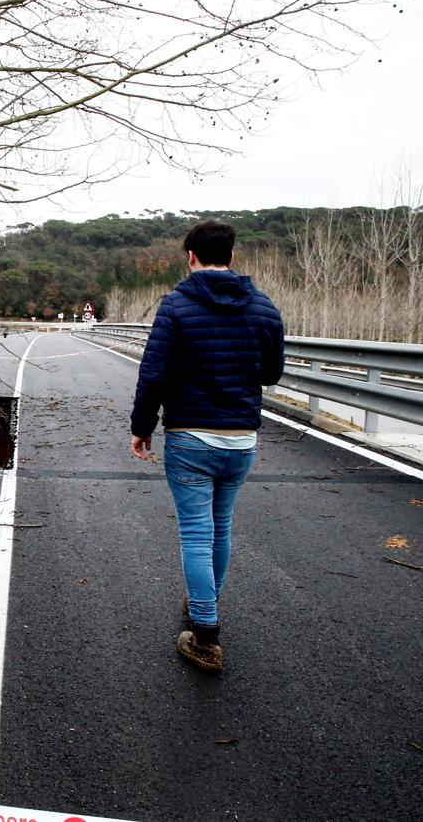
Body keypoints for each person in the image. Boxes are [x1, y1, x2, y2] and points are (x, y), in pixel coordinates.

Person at [128, 220, 285, 673]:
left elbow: (154, 374)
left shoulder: (176, 305)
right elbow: (271, 374)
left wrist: (142, 427)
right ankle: (204, 602)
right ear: (232, 257)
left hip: (190, 437)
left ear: (190, 257)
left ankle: (205, 634)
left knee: (196, 531)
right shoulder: (264, 307)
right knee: (220, 525)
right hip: (240, 439)